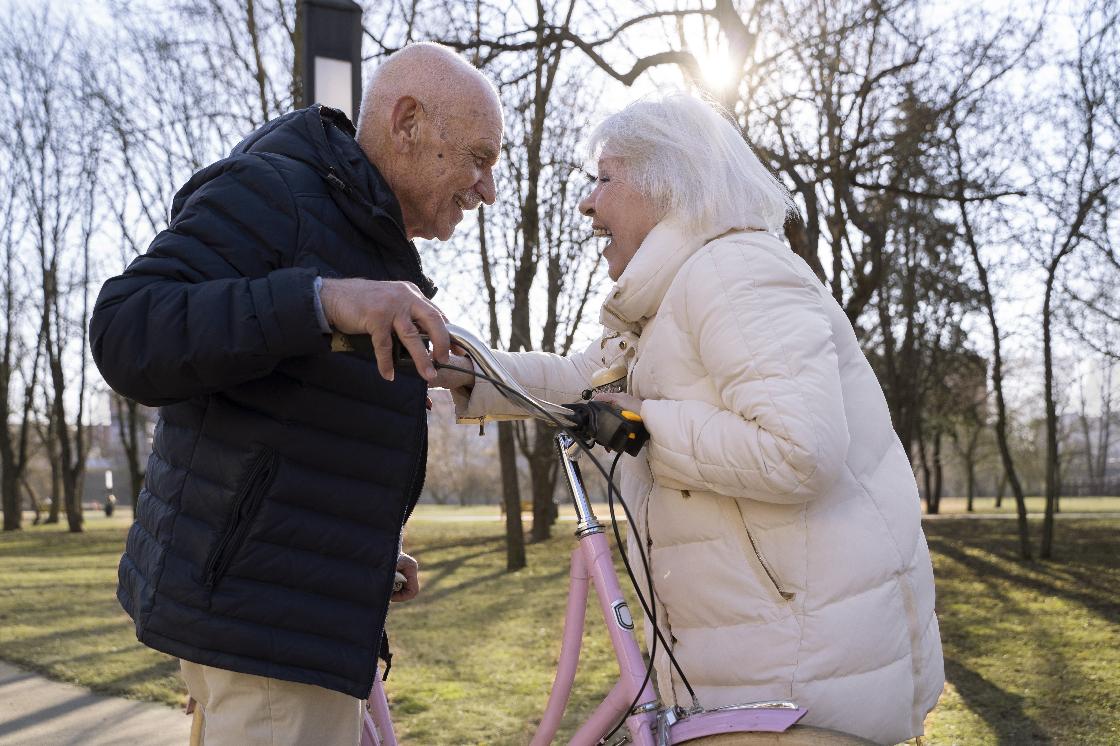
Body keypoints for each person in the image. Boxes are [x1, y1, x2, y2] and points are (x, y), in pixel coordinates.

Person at [437, 93, 943, 744]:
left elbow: (799, 450)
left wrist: (640, 429)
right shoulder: (668, 305)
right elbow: (577, 384)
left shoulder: (733, 274)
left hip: (797, 690)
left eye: (605, 179)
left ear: (666, 184)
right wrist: (464, 364)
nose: (588, 203)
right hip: (756, 675)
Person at [89, 43, 502, 745]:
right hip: (266, 637)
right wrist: (321, 300)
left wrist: (357, 546)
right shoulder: (278, 194)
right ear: (406, 122)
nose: (485, 188)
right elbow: (127, 328)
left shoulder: (355, 224)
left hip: (278, 620)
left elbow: (292, 425)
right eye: (478, 158)